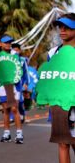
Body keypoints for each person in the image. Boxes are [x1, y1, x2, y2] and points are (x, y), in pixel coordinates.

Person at [48, 13, 75, 163]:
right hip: (59, 104)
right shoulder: (53, 53)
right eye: (60, 27)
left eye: (67, 27)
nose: (62, 30)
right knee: (63, 143)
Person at [0, 35, 24, 144]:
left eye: (9, 42)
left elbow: (21, 70)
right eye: (5, 42)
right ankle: (7, 133)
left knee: (14, 108)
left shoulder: (16, 56)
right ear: (0, 43)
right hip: (3, 86)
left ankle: (19, 134)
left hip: (14, 86)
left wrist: (24, 83)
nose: (8, 44)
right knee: (6, 109)